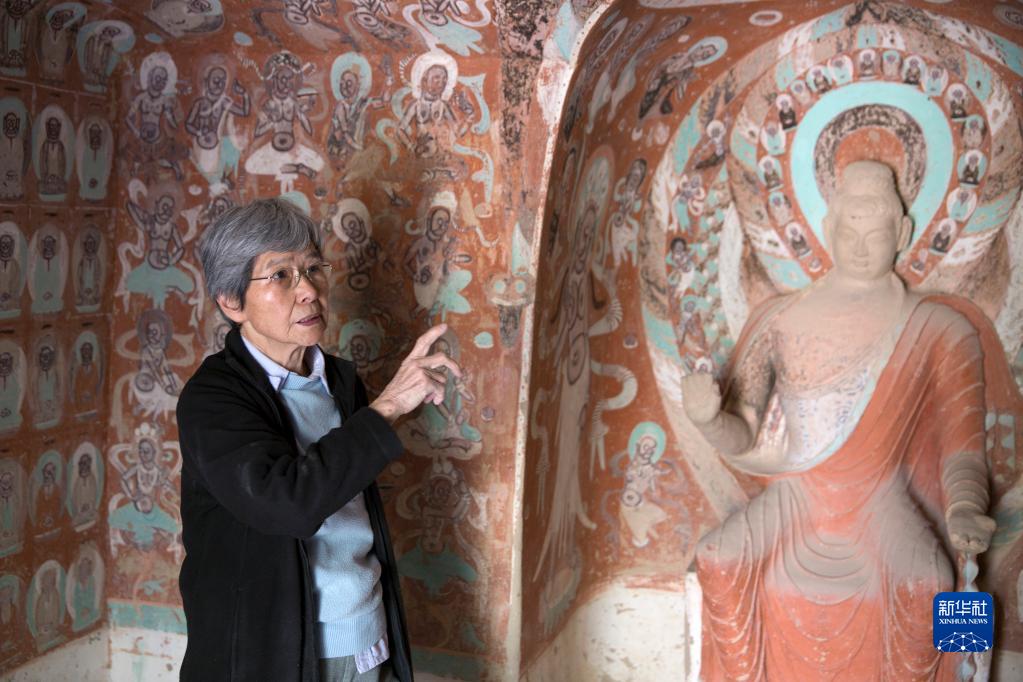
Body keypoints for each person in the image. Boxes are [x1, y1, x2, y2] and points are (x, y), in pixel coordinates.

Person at [681, 161, 999, 680]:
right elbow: (744, 432)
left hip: (878, 499)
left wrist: (964, 509)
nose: (860, 247)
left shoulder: (939, 328)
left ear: (903, 234)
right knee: (716, 557)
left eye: (875, 234)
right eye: (849, 232)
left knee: (932, 582)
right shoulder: (779, 319)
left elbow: (964, 451)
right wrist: (709, 420)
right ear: (828, 229)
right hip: (797, 496)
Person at [179, 198, 460, 681]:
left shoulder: (341, 381)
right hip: (279, 658)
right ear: (231, 301)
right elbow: (286, 503)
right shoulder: (213, 399)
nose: (309, 290)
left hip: (369, 636)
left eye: (312, 269)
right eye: (281, 275)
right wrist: (388, 408)